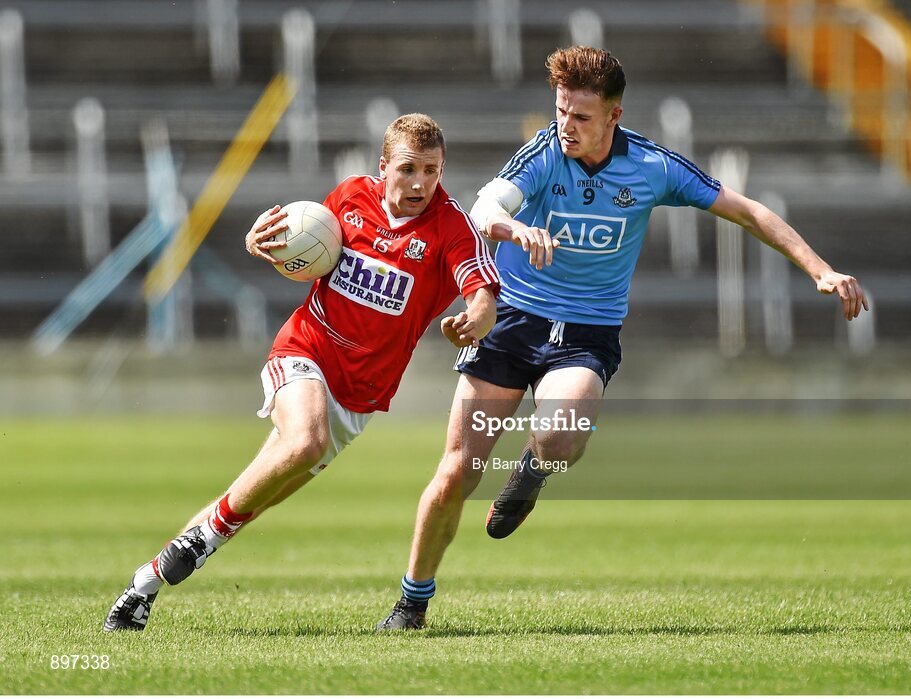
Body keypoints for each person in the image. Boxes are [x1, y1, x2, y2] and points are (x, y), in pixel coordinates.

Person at [375, 47, 868, 631]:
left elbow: (746, 210)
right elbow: (484, 208)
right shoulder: (541, 156)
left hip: (586, 333)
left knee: (562, 434)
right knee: (458, 471)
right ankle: (412, 603)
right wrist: (517, 227)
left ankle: (532, 470)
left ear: (614, 116)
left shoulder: (652, 167)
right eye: (560, 111)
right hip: (511, 323)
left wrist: (818, 269)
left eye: (581, 117)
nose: (566, 127)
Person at [103, 113, 500, 632]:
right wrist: (260, 243)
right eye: (408, 169)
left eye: (432, 170)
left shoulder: (450, 226)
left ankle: (144, 585)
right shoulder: (349, 196)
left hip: (358, 399)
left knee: (249, 498)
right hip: (305, 348)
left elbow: (483, 294)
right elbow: (298, 246)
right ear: (384, 168)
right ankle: (192, 546)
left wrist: (475, 320)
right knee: (305, 440)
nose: (421, 183)